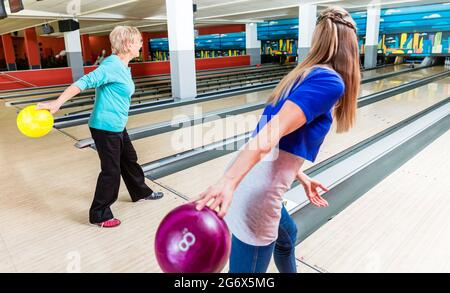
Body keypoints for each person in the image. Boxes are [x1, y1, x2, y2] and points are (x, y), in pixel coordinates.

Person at [195, 7, 360, 273]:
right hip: (258, 193)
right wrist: (227, 182)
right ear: (352, 45)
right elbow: (270, 133)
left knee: (287, 236)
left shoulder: (304, 74)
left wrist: (301, 176)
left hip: (249, 180)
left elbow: (282, 141)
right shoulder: (330, 83)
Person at [37, 26, 164, 228]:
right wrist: (57, 103)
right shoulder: (112, 65)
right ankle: (100, 214)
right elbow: (84, 81)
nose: (141, 43)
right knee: (111, 171)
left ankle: (140, 192)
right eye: (139, 40)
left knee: (129, 160)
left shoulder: (121, 65)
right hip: (105, 128)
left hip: (117, 125)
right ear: (128, 43)